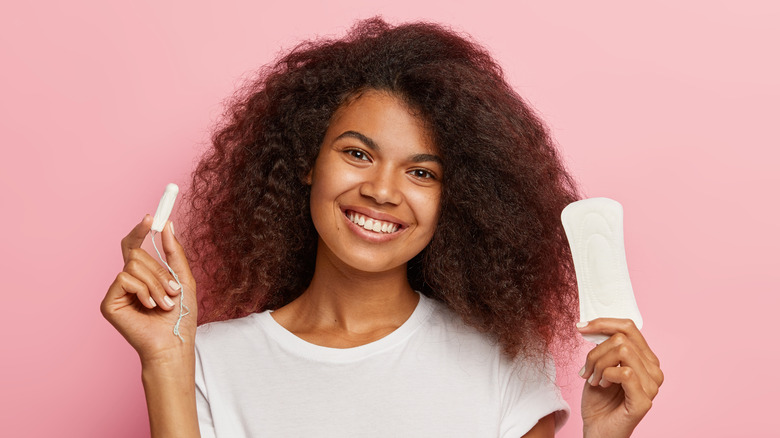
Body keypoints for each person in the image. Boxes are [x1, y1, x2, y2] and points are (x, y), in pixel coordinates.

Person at [101, 17, 663, 437]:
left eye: (421, 171)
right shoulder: (206, 360)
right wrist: (164, 359)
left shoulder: (501, 361)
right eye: (357, 154)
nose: (383, 191)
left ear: (455, 199)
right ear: (306, 160)